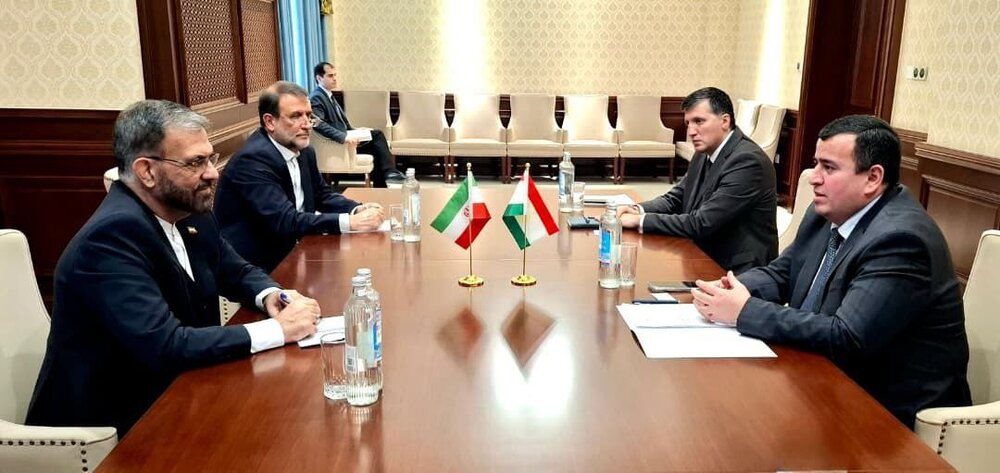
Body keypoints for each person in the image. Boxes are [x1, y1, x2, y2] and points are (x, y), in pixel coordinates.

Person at [26, 100, 320, 435]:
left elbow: (234, 270)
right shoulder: (110, 238)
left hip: (182, 393)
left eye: (210, 158)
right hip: (111, 427)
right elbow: (165, 345)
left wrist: (272, 295)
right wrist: (279, 330)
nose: (212, 173)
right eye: (196, 162)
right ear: (146, 171)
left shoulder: (190, 212)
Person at [691, 115, 971, 428]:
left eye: (829, 167)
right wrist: (729, 288)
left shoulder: (901, 240)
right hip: (822, 381)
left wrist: (744, 311)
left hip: (888, 412)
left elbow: (847, 337)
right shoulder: (826, 212)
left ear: (873, 178)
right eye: (816, 164)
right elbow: (783, 272)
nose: (813, 178)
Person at [214, 81, 385, 272]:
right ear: (270, 122)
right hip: (257, 265)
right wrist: (349, 223)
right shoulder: (253, 160)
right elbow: (285, 220)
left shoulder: (304, 151)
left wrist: (356, 209)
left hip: (295, 248)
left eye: (309, 116)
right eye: (296, 116)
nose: (306, 125)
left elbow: (322, 194)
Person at [618, 87, 777, 273]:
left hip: (736, 271)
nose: (691, 131)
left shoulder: (748, 161)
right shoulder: (703, 153)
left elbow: (702, 222)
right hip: (703, 254)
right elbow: (677, 198)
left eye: (699, 121)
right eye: (688, 123)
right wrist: (637, 209)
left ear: (725, 121)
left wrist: (639, 221)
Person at [309, 62, 404, 188]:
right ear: (319, 78)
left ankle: (381, 185)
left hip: (347, 136)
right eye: (330, 76)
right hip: (338, 143)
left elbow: (341, 123)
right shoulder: (317, 97)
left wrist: (356, 131)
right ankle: (389, 172)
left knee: (376, 143)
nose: (335, 79)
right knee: (377, 135)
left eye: (335, 75)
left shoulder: (328, 95)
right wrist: (344, 137)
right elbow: (318, 124)